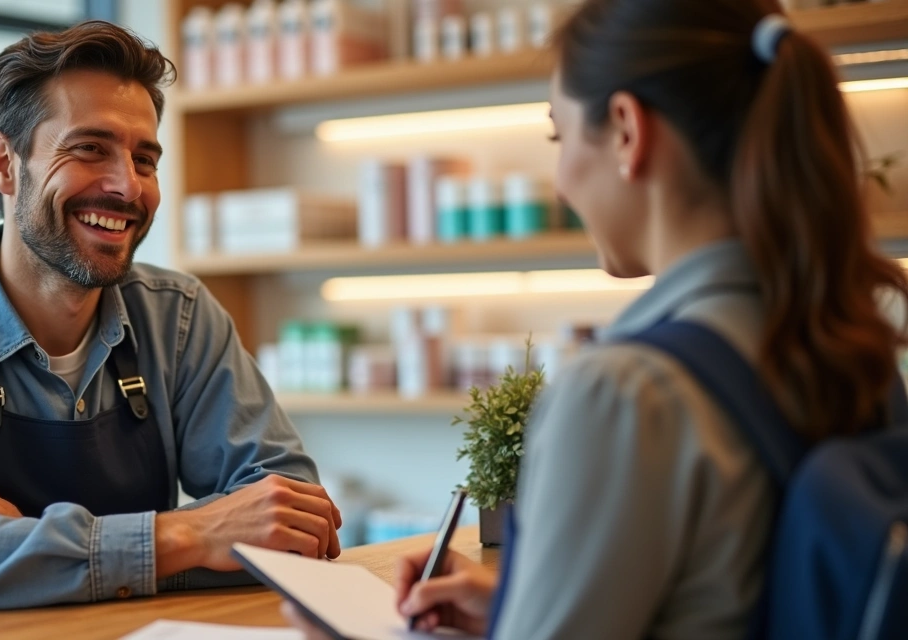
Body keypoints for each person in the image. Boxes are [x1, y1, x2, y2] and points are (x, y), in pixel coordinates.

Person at [285, 0, 908, 638]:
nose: (560, 183)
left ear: (627, 131)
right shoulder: (856, 350)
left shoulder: (624, 394)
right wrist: (515, 609)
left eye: (559, 136)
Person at [0, 21, 341, 632]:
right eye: (89, 148)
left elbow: (293, 520)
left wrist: (18, 543)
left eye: (144, 158)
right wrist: (186, 536)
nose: (128, 185)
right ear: (2, 164)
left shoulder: (177, 316)